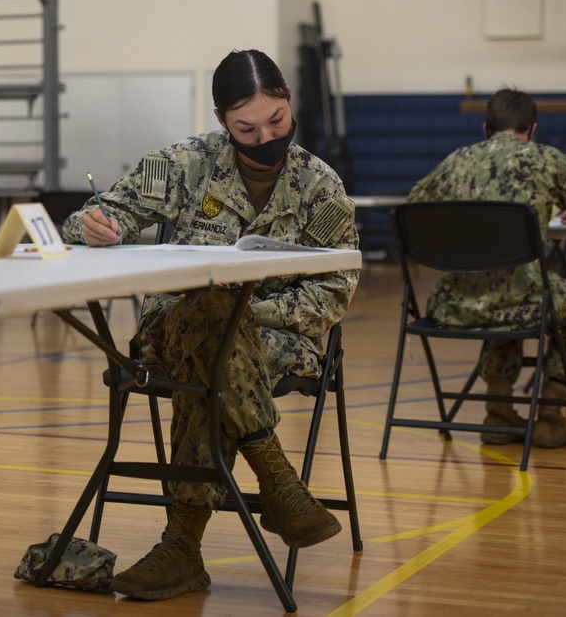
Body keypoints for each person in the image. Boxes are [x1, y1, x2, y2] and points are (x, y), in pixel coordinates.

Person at [61, 49, 360, 600]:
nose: (265, 136)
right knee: (202, 319)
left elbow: (334, 291)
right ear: (223, 120)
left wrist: (240, 311)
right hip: (169, 332)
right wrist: (93, 225)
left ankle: (182, 546)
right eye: (246, 128)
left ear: (289, 101)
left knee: (214, 337)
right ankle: (275, 479)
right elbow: (90, 220)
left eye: (277, 121)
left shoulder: (321, 185)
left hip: (273, 340)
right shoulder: (182, 163)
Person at [407, 88, 566, 448]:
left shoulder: (457, 161)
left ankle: (498, 414)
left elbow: (413, 213)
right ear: (531, 129)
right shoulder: (547, 160)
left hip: (452, 305)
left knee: (503, 289)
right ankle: (550, 414)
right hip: (521, 302)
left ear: (486, 129)